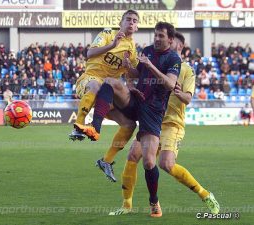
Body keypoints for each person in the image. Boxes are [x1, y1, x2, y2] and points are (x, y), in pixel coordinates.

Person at [108, 32, 220, 217]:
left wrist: (177, 91)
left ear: (179, 46)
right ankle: (127, 206)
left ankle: (205, 195)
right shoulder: (157, 64)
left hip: (171, 124)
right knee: (132, 156)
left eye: (170, 43)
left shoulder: (186, 70)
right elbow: (138, 77)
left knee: (166, 164)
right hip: (152, 120)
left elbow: (188, 99)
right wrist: (129, 68)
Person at [77, 22, 181, 217]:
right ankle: (95, 126)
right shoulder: (148, 50)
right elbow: (136, 74)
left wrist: (150, 67)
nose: (157, 39)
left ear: (170, 39)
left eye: (161, 36)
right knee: (110, 82)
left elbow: (169, 84)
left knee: (149, 162)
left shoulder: (174, 58)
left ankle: (154, 202)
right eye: (156, 35)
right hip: (136, 100)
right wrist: (128, 67)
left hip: (153, 112)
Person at [69, 9, 139, 141]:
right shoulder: (107, 33)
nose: (131, 23)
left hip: (107, 94)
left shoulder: (132, 49)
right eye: (128, 19)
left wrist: (128, 66)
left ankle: (106, 160)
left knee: (129, 125)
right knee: (95, 85)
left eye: (134, 21)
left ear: (137, 27)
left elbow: (133, 74)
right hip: (90, 78)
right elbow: (90, 53)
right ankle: (78, 126)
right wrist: (112, 45)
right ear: (120, 23)